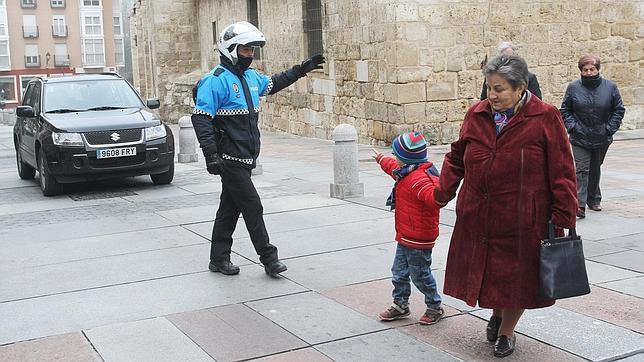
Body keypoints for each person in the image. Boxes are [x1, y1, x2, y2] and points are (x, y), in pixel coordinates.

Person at [434, 54, 577, 357]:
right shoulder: (476, 114)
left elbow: (563, 169)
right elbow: (457, 157)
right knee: (491, 273)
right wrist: (442, 191)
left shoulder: (545, 117)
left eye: (499, 89)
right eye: (489, 88)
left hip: (524, 217)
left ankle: (507, 332)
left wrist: (563, 214)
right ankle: (497, 314)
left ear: (520, 87)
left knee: (517, 278)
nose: (492, 96)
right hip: (479, 213)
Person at [192, 21, 325, 276]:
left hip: (245, 157)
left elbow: (274, 83)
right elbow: (201, 118)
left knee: (229, 209)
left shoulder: (251, 78)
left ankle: (218, 259)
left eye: (253, 50)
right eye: (245, 50)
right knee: (253, 206)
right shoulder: (214, 81)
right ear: (230, 49)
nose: (250, 55)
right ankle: (269, 258)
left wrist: (301, 70)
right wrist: (210, 155)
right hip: (229, 158)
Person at [372, 132, 445, 325]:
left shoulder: (418, 179)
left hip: (419, 238)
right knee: (399, 272)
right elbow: (392, 168)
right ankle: (400, 304)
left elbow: (434, 198)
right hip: (405, 235)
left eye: (396, 155)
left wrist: (442, 191)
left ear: (404, 158)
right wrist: (380, 159)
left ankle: (434, 306)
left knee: (419, 274)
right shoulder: (406, 170)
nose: (395, 159)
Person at [560, 54, 625, 219]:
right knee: (581, 169)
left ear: (598, 69)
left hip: (601, 135)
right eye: (585, 70)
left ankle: (593, 198)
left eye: (592, 69)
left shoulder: (610, 87)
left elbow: (618, 109)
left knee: (595, 168)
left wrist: (609, 128)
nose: (589, 72)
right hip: (579, 136)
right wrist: (572, 126)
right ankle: (579, 205)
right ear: (581, 70)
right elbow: (565, 110)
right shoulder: (573, 87)